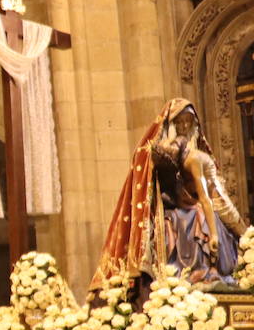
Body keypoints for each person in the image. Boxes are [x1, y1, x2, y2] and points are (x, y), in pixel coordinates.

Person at [92, 98, 246, 293]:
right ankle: (196, 273)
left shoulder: (193, 159)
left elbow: (207, 198)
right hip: (192, 206)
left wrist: (214, 234)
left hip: (214, 199)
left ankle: (215, 268)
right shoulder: (178, 158)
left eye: (187, 122)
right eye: (179, 122)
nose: (183, 127)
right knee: (181, 218)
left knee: (221, 223)